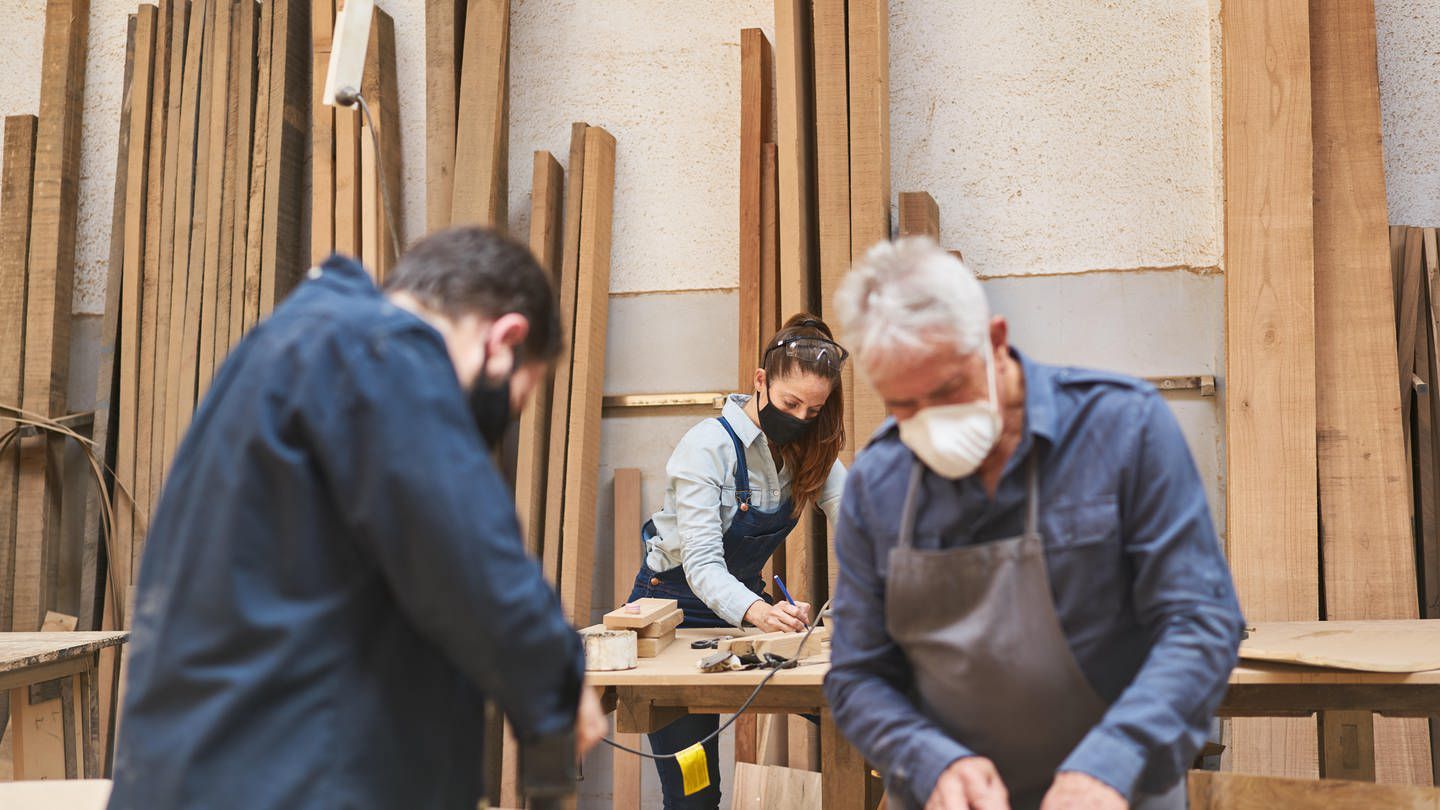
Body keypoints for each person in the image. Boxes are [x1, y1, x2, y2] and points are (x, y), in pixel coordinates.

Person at [109, 228, 607, 809]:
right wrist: (556, 680)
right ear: (504, 340)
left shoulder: (290, 350)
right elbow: (470, 558)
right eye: (517, 400)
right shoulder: (377, 352)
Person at [823, 238, 1245, 810]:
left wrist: (1111, 761)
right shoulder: (879, 483)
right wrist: (929, 759)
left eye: (948, 390)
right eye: (903, 405)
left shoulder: (1124, 431)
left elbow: (1198, 622)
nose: (930, 422)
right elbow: (857, 677)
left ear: (995, 341)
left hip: (1119, 793)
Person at [623, 314, 849, 809]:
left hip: (745, 611)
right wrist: (762, 613)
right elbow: (702, 565)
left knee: (856, 720)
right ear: (761, 381)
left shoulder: (810, 445)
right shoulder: (706, 447)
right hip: (673, 615)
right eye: (791, 403)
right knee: (694, 790)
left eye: (815, 410)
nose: (802, 418)